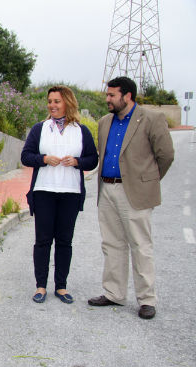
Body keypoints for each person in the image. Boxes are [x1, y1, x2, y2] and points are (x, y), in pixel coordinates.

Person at [88, 77, 174, 320]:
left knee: (140, 246)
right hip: (107, 190)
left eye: (112, 95)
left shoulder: (151, 119)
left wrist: (147, 181)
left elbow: (165, 155)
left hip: (133, 191)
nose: (107, 99)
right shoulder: (105, 122)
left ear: (127, 96)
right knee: (112, 243)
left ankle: (147, 300)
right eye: (107, 94)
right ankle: (114, 292)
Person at [21, 85, 98, 304]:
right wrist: (43, 159)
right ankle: (41, 286)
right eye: (50, 101)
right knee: (43, 241)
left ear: (68, 103)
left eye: (57, 101)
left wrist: (77, 162)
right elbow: (26, 156)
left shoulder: (81, 131)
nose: (52, 105)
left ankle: (61, 287)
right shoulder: (40, 129)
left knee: (65, 241)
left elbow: (93, 159)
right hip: (44, 191)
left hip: (70, 193)